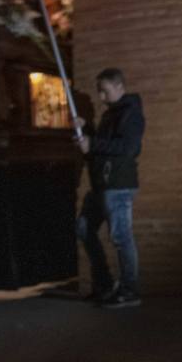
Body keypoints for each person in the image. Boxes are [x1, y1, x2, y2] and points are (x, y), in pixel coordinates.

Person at [74, 67, 145, 308]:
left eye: (104, 92)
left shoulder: (131, 113)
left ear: (119, 87)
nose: (101, 97)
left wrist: (92, 142)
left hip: (119, 184)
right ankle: (104, 285)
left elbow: (127, 147)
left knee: (121, 236)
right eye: (99, 92)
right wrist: (87, 131)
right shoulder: (111, 114)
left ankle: (129, 290)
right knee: (84, 228)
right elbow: (105, 146)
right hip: (103, 185)